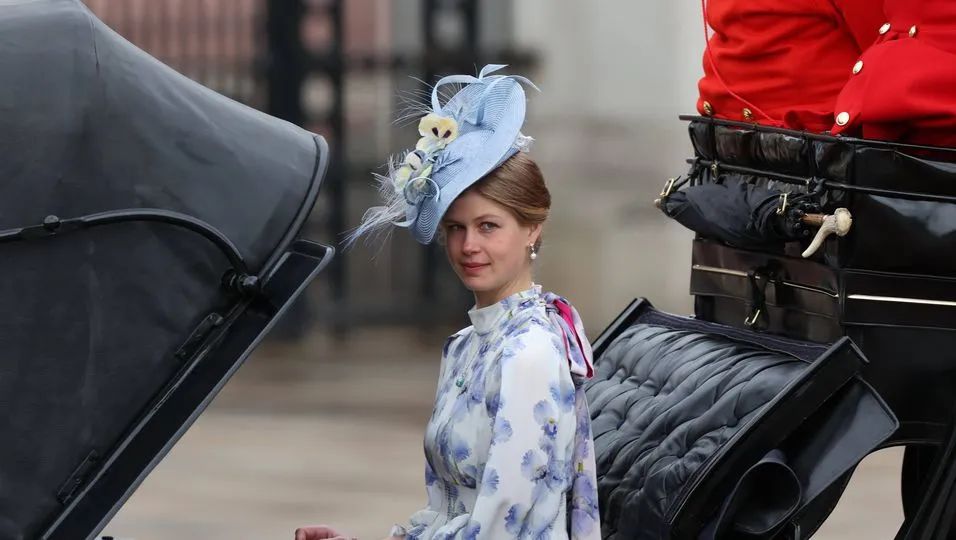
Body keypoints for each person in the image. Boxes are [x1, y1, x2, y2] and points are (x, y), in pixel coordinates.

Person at [295, 65, 602, 539]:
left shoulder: (529, 354)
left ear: (532, 228)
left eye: (488, 226)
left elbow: (500, 527)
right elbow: (447, 511)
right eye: (455, 228)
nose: (468, 246)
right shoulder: (465, 345)